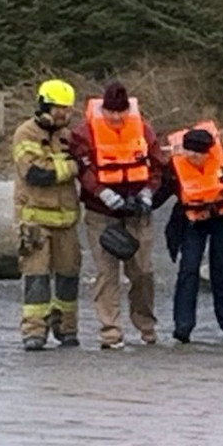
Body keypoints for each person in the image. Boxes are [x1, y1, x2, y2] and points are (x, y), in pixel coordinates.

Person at [71, 81, 168, 349]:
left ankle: (146, 327)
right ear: (103, 109)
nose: (115, 117)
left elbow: (157, 167)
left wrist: (148, 193)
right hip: (101, 213)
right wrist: (103, 193)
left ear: (128, 110)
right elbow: (83, 168)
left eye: (120, 111)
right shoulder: (85, 132)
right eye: (111, 111)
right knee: (106, 273)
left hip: (137, 211)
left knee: (143, 272)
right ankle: (110, 332)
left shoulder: (143, 130)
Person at [12, 79, 82, 351]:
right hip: (35, 222)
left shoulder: (67, 136)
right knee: (36, 280)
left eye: (67, 110)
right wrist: (72, 166)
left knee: (68, 278)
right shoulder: (25, 134)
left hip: (66, 221)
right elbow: (36, 174)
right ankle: (34, 331)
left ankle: (66, 329)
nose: (63, 115)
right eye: (58, 109)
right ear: (44, 105)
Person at [164, 123, 223, 344]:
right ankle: (183, 326)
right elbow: (160, 192)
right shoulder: (175, 166)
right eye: (190, 153)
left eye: (199, 154)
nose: (194, 158)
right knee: (188, 270)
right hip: (191, 221)